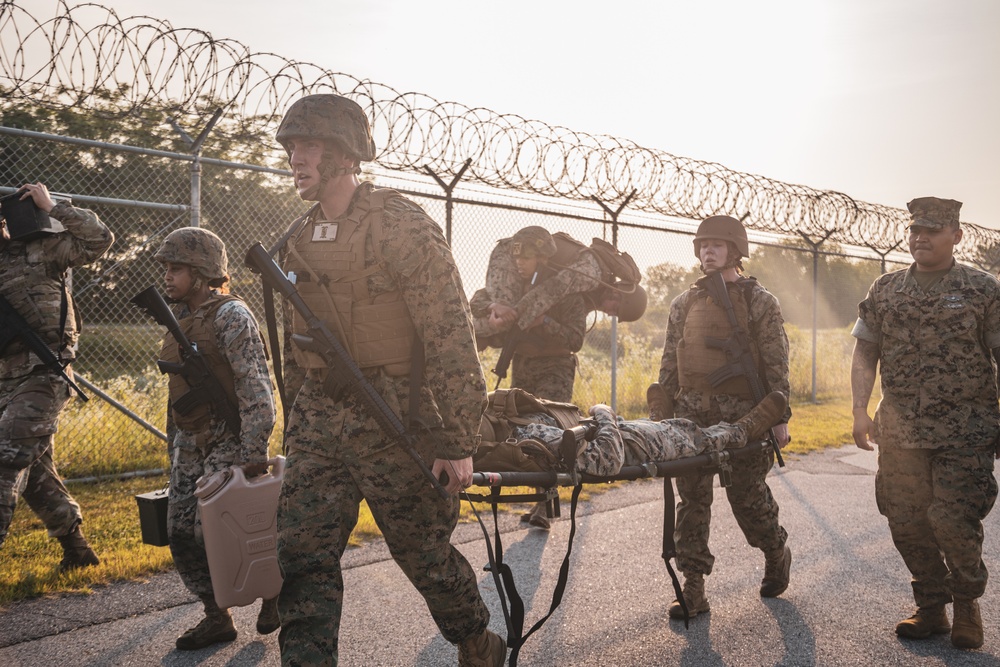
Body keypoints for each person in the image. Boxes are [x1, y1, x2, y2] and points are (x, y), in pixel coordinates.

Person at [271, 93, 505, 667]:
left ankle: (476, 640)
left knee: (422, 551)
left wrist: (456, 440)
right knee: (302, 553)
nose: (295, 159)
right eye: (291, 148)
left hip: (394, 412)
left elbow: (449, 333)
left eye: (309, 146)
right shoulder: (296, 237)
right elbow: (294, 347)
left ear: (344, 154)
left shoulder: (401, 226)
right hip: (320, 417)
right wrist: (294, 425)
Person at [851, 197, 1000, 650]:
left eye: (932, 230)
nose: (920, 237)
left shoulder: (982, 288)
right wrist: (859, 408)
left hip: (966, 429)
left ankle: (967, 604)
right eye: (915, 229)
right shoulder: (886, 289)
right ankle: (932, 608)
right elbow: (865, 352)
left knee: (953, 519)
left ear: (956, 235)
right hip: (899, 431)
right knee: (907, 521)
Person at [655, 214, 792, 619]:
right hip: (691, 419)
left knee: (747, 499)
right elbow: (669, 364)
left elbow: (776, 364)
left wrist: (779, 416)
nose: (707, 251)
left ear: (735, 251)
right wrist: (661, 415)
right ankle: (693, 589)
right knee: (692, 502)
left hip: (744, 422)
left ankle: (775, 550)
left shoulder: (760, 302)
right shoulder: (685, 302)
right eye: (702, 245)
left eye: (716, 245)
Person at [151, 227, 278, 650]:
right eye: (166, 269)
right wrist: (177, 445)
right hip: (191, 439)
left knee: (220, 528)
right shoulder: (178, 320)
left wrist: (253, 452)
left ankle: (273, 588)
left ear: (203, 272)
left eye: (176, 269)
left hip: (231, 436)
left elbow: (256, 387)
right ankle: (216, 615)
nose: (167, 277)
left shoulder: (232, 317)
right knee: (180, 530)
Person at [0, 182, 113, 569]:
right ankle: (77, 550)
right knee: (34, 473)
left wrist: (53, 206)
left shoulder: (41, 249)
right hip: (4, 379)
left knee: (6, 455)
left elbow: (98, 239)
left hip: (44, 373)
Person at [471, 226, 588, 529]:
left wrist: (544, 321)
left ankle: (544, 505)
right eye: (517, 258)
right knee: (522, 430)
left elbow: (575, 338)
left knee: (547, 431)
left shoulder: (564, 294)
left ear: (543, 259)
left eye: (529, 257)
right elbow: (477, 299)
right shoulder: (513, 289)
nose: (520, 264)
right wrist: (491, 306)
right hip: (523, 365)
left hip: (555, 367)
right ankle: (542, 502)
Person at [507, 391, 787, 477]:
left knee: (674, 428)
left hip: (631, 432)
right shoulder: (532, 443)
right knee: (699, 439)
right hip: (637, 447)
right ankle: (745, 429)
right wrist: (604, 412)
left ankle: (659, 419)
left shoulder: (517, 427)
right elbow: (609, 459)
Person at [481, 227, 648, 335]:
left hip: (529, 269)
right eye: (616, 310)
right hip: (514, 256)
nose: (611, 314)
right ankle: (461, 334)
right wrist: (519, 320)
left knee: (513, 321)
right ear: (616, 294)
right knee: (504, 320)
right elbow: (551, 290)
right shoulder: (591, 275)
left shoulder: (594, 293)